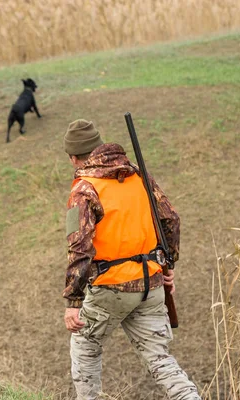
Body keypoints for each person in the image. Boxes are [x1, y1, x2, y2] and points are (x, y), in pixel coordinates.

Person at [63, 119, 201, 400]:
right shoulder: (139, 175)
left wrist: (73, 301)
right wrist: (166, 265)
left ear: (75, 157)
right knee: (160, 360)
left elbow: (80, 247)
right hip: (150, 283)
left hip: (111, 287)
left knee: (85, 345)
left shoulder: (84, 189)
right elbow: (171, 220)